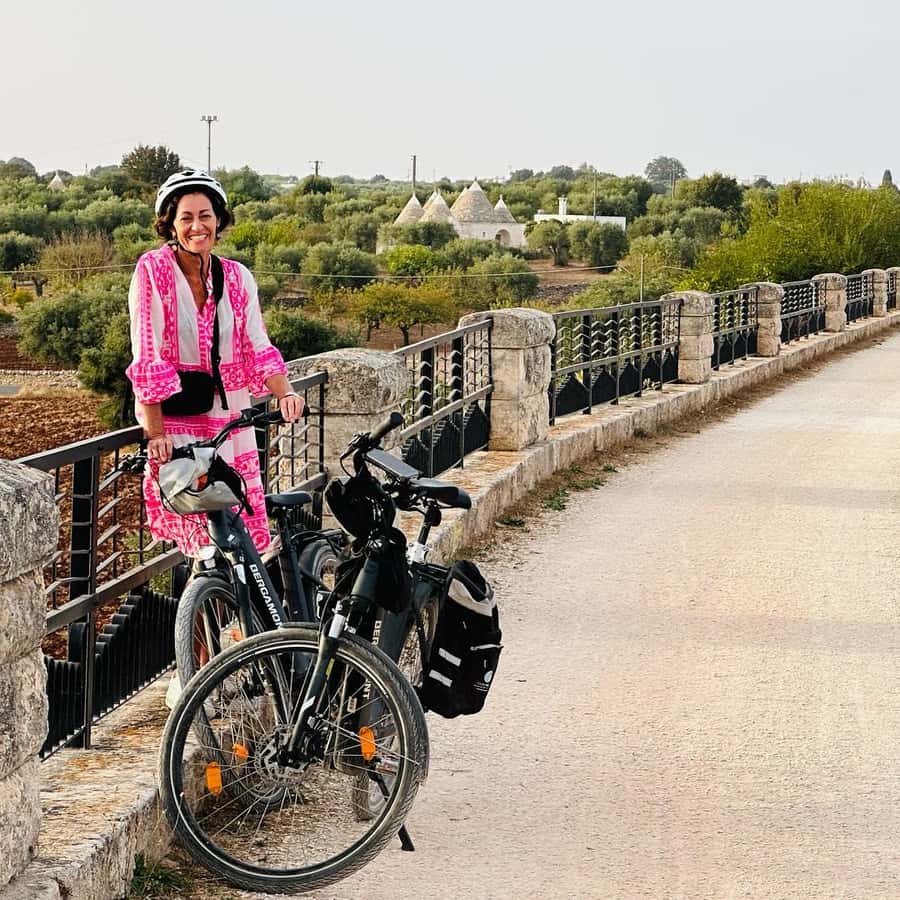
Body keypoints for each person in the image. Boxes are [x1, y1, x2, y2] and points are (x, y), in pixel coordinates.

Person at [126, 169, 304, 556]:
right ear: (171, 225)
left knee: (236, 528)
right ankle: (205, 607)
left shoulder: (237, 276)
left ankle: (240, 608)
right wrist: (155, 433)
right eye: (186, 217)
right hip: (176, 421)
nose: (197, 226)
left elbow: (257, 343)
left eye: (205, 215)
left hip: (231, 419)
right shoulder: (153, 270)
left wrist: (285, 392)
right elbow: (147, 351)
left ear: (219, 220)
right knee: (201, 536)